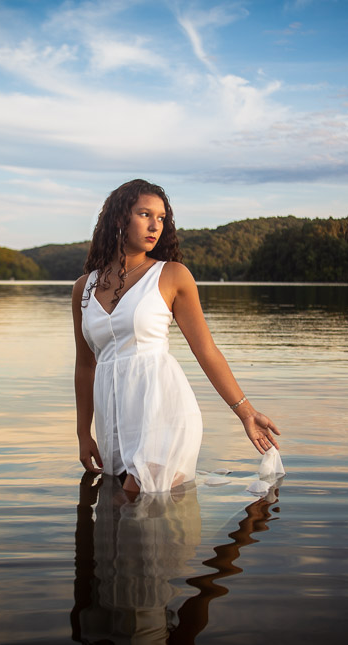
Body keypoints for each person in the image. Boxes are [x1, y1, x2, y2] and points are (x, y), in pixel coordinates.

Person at [71, 179, 280, 494]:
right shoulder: (83, 288)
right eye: (145, 214)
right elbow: (85, 366)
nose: (155, 225)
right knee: (121, 521)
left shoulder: (171, 275)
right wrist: (83, 434)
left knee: (136, 496)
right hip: (113, 421)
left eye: (161, 218)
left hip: (162, 408)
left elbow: (206, 350)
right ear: (118, 219)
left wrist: (246, 412)